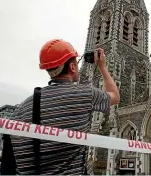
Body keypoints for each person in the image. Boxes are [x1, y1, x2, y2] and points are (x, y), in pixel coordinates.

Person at [9, 39, 120, 175]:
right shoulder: (84, 94)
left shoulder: (21, 109)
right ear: (72, 67)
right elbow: (114, 95)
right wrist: (102, 66)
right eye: (76, 63)